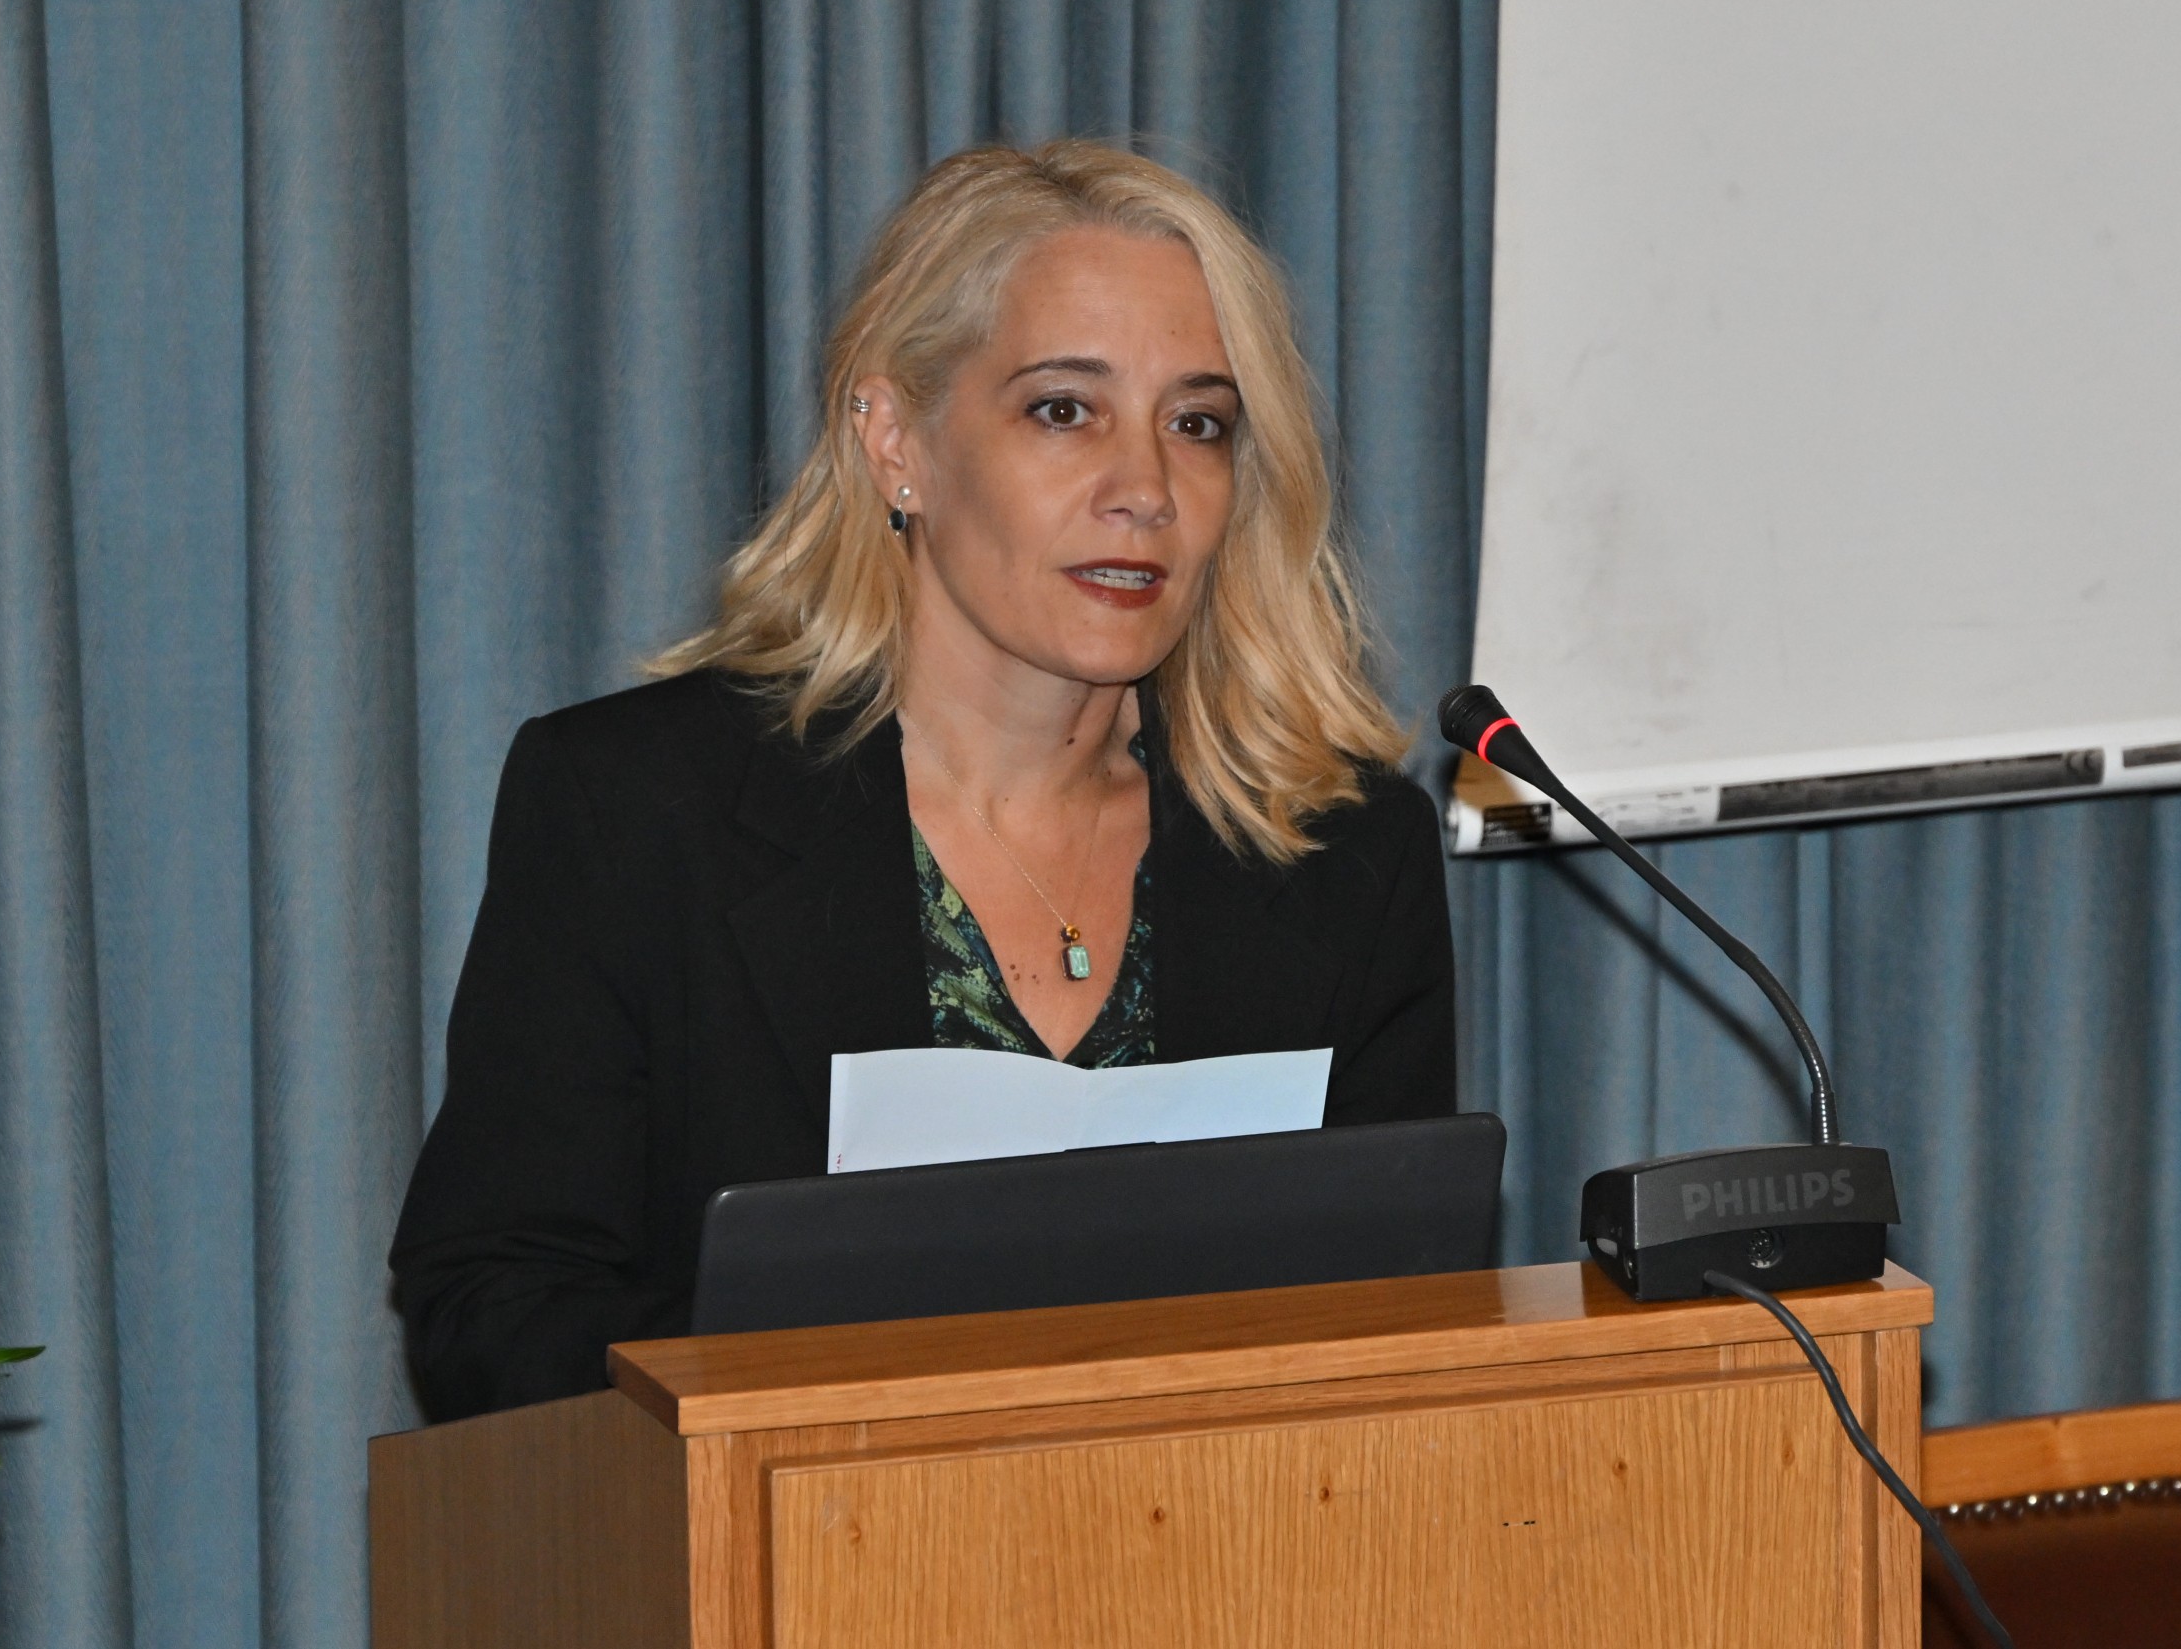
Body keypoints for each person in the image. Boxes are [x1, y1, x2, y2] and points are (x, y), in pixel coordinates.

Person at [390, 140, 1456, 1422]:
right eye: (1064, 410)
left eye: (1198, 424)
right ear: (897, 440)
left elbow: (1402, 1334)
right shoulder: (639, 810)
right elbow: (492, 1317)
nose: (1144, 490)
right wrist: (821, 1359)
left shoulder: (1342, 853)